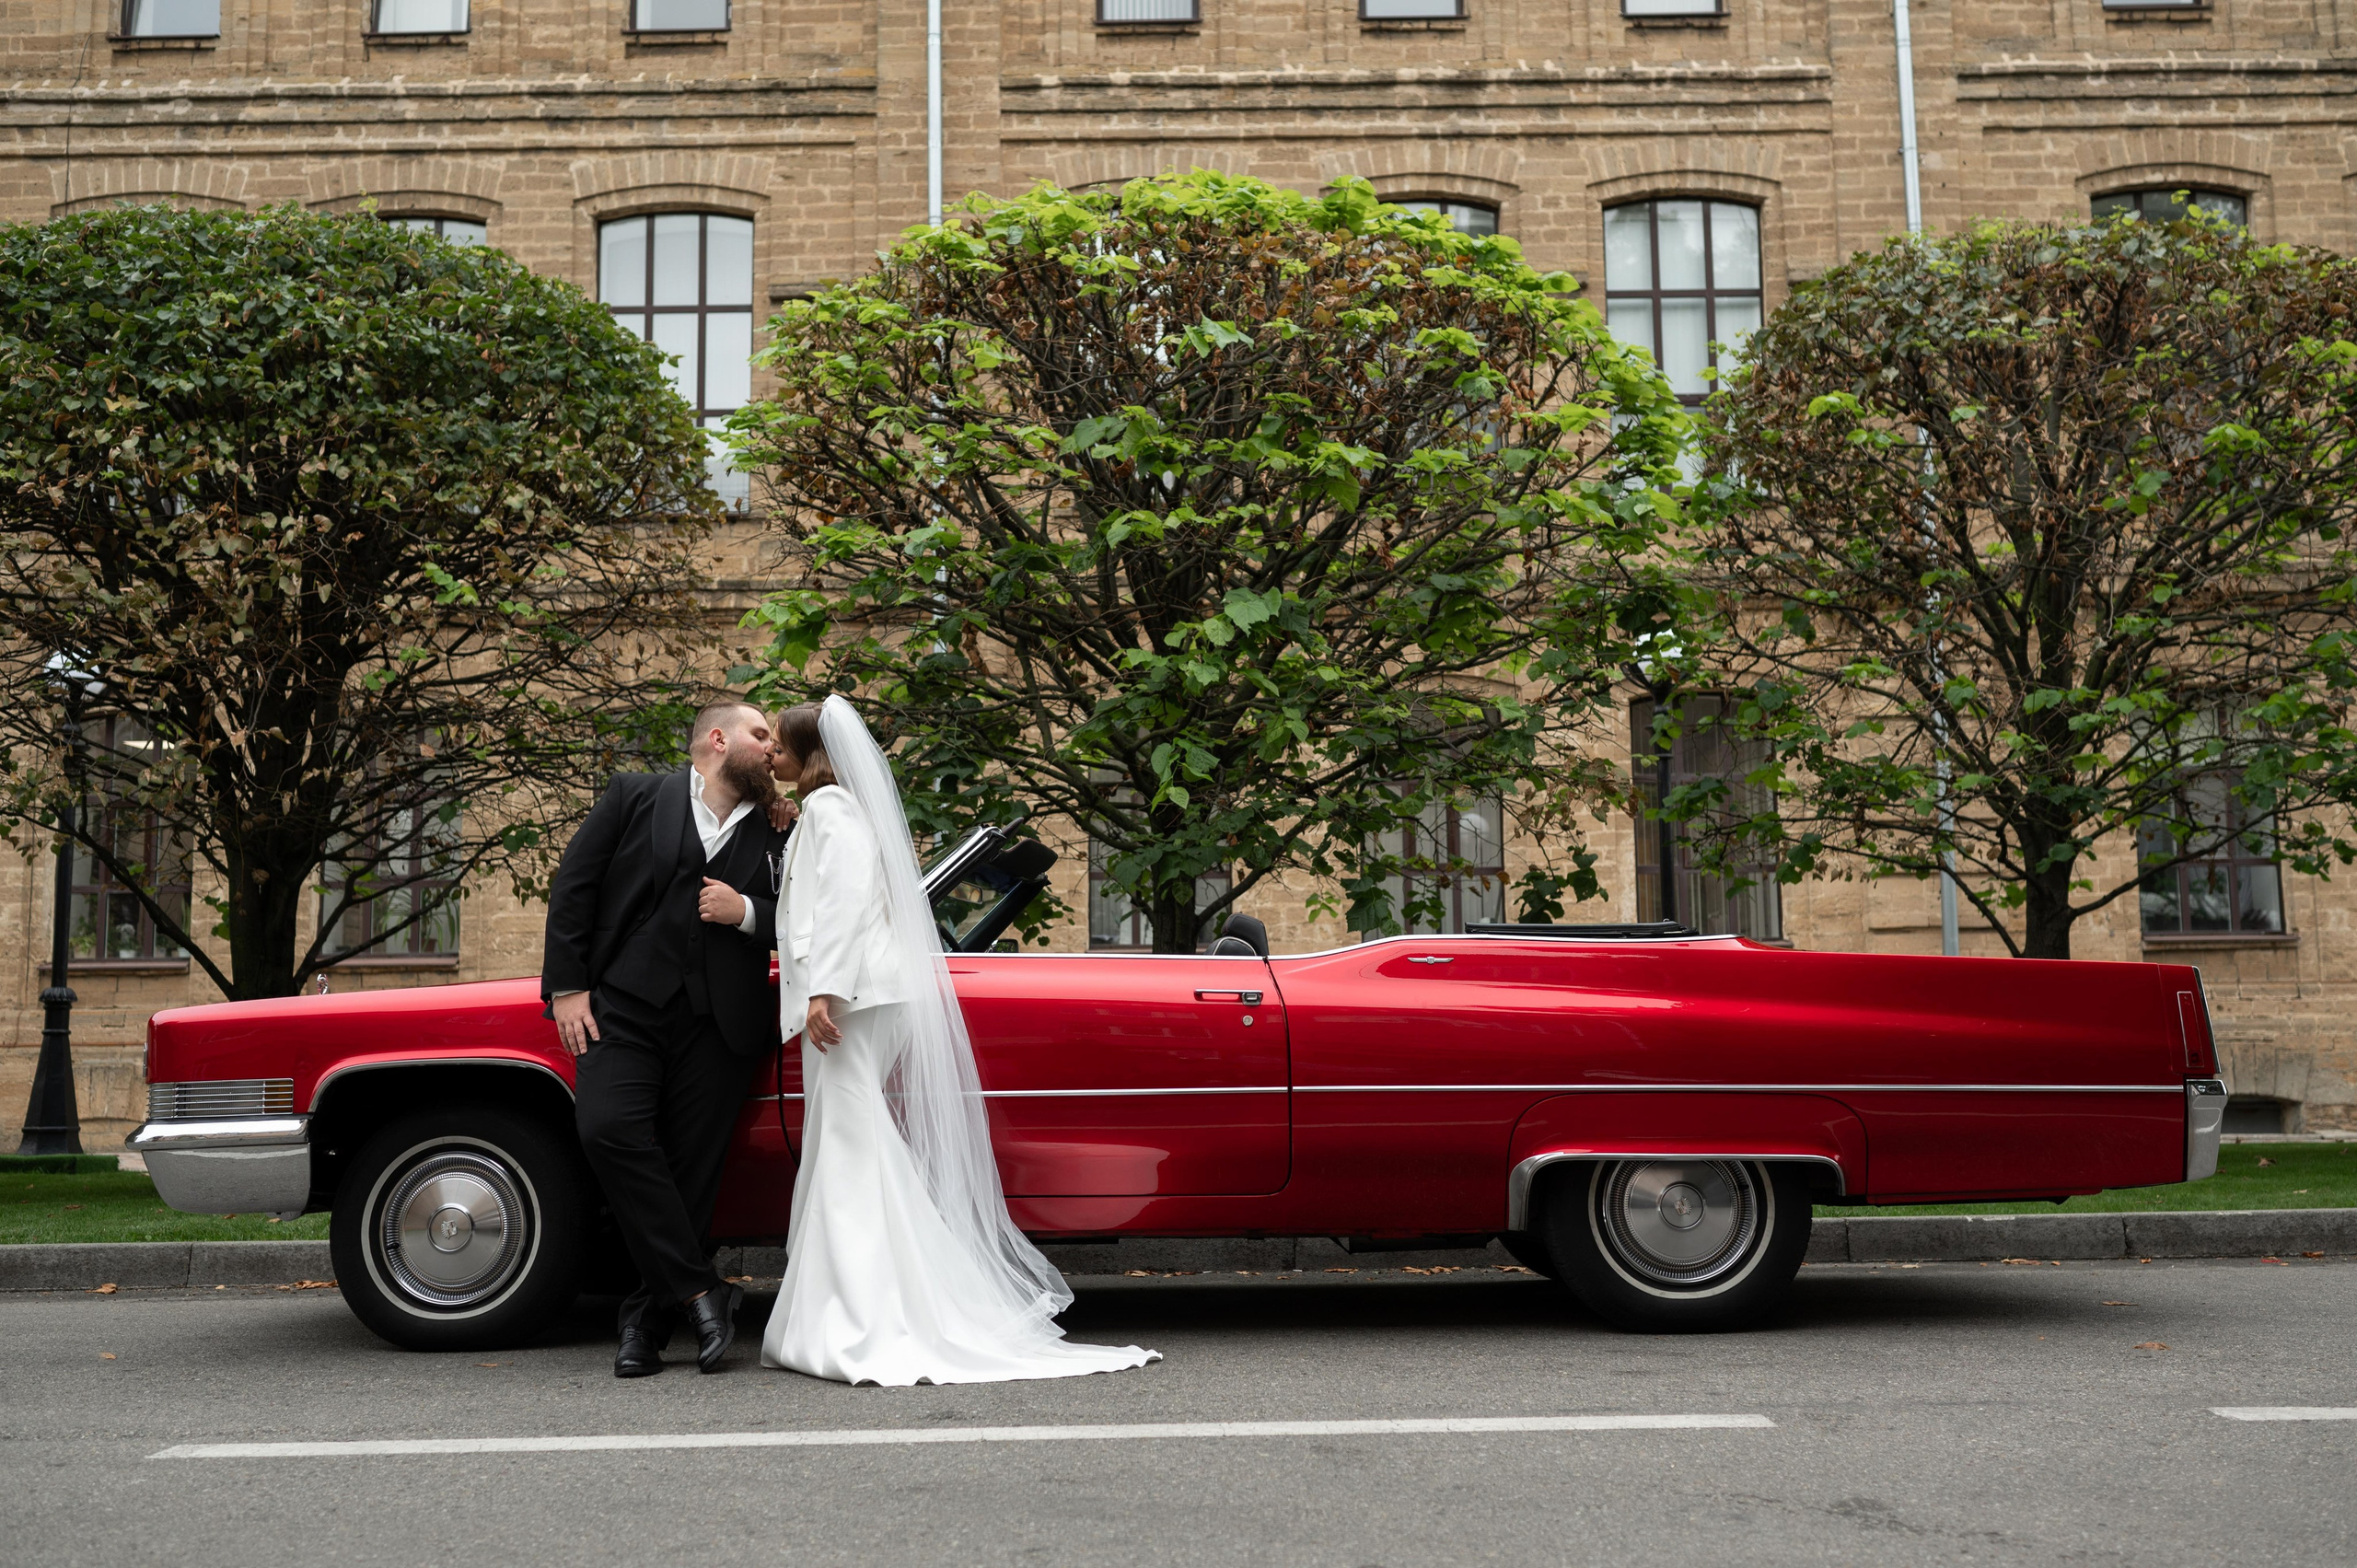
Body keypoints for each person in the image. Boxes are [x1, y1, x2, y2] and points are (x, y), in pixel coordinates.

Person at [760, 695, 1160, 1385]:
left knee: (852, 1144)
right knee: (846, 1142)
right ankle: (859, 1303)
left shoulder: (831, 811)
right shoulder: (830, 809)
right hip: (861, 993)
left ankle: (867, 1313)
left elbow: (844, 901)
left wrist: (824, 987)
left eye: (779, 744)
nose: (768, 752)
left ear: (811, 752)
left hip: (850, 996)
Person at [540, 701, 793, 1378]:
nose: (774, 749)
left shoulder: (785, 828)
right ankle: (702, 1290)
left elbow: (814, 916)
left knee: (691, 1176)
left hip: (721, 1025)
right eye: (761, 734)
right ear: (718, 739)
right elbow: (576, 886)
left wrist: (747, 914)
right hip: (622, 1006)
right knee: (607, 1129)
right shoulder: (635, 794)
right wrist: (567, 987)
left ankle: (645, 1324)